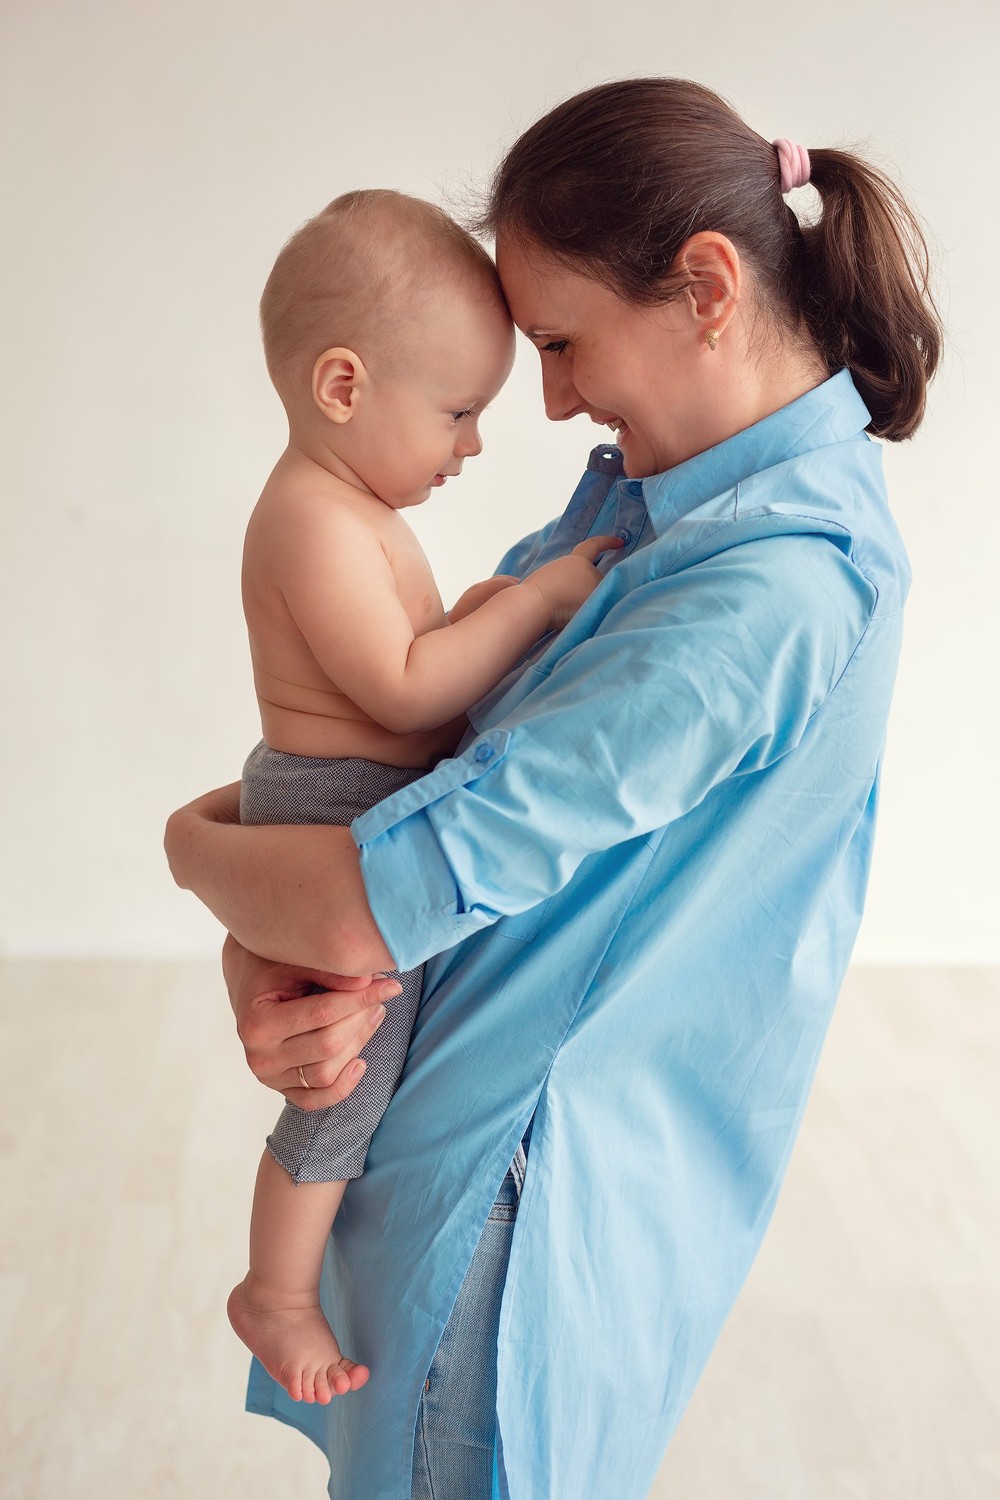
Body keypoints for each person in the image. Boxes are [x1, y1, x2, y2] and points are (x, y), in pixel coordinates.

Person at [165, 78, 941, 1500]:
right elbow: (412, 808)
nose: (555, 394)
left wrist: (190, 846)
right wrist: (265, 975)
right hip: (451, 1146)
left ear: (707, 285)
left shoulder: (767, 589)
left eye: (564, 341)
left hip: (506, 1213)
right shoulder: (655, 504)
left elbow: (364, 901)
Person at [226, 189, 619, 1407]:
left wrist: (478, 621)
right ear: (342, 386)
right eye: (457, 412)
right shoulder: (310, 520)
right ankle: (275, 1292)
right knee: (349, 1077)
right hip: (328, 810)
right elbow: (401, 693)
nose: (475, 444)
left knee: (376, 1059)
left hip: (352, 800)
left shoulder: (354, 513)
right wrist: (532, 604)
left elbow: (411, 655)